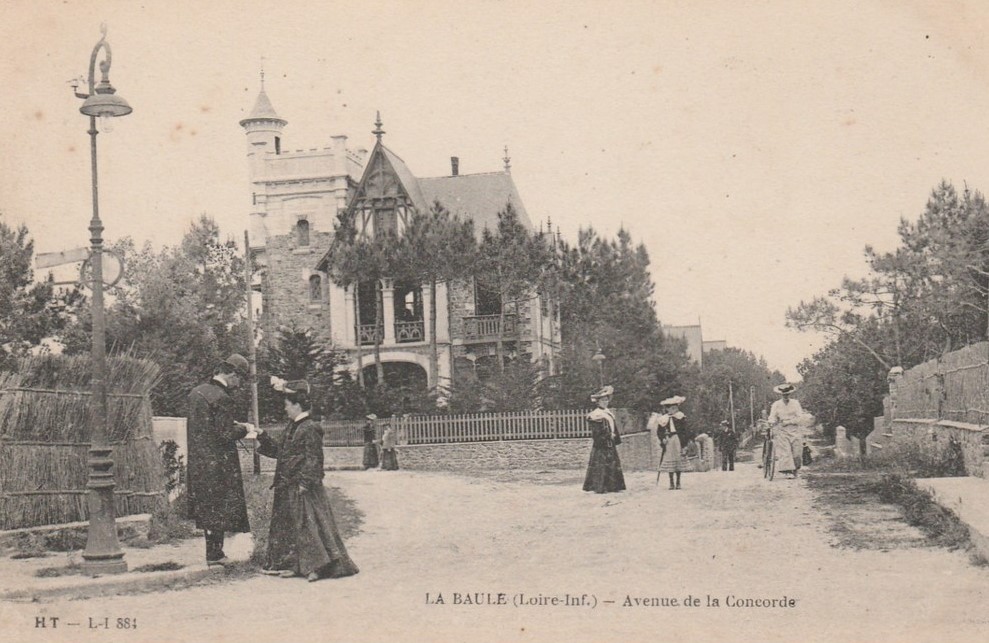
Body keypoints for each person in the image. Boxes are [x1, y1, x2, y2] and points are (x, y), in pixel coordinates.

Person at [256, 379, 360, 582]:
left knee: (309, 527)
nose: (284, 409)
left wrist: (305, 483)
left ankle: (317, 568)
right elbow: (281, 452)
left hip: (303, 487)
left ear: (296, 405)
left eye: (286, 405)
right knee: (292, 527)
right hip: (287, 485)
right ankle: (296, 566)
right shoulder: (292, 426)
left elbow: (314, 459)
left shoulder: (310, 427)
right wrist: (262, 436)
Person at [186, 354, 252, 567]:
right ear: (232, 375)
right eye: (239, 379)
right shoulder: (222, 397)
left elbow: (207, 428)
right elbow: (225, 434)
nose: (239, 384)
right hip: (219, 461)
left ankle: (212, 553)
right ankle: (216, 555)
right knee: (220, 507)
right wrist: (244, 428)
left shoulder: (197, 393)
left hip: (199, 460)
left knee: (207, 507)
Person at [582, 385, 626, 494]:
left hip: (610, 442)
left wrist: (614, 437)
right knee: (601, 465)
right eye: (602, 400)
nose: (605, 402)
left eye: (606, 400)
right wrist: (607, 436)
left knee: (612, 464)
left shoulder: (608, 412)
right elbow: (596, 432)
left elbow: (613, 427)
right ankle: (600, 487)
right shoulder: (595, 414)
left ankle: (613, 486)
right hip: (601, 444)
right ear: (598, 402)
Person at [657, 395, 694, 489]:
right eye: (671, 408)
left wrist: (684, 444)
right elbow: (659, 431)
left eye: (675, 407)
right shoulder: (663, 419)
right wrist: (662, 439)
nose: (674, 410)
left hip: (678, 439)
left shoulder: (680, 417)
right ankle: (671, 482)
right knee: (670, 461)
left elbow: (685, 431)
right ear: (667, 409)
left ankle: (678, 482)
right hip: (669, 440)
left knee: (678, 461)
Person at [768, 383, 804, 477]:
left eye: (787, 394)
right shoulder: (776, 404)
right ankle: (788, 471)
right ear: (781, 394)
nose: (785, 396)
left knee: (797, 453)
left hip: (795, 430)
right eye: (784, 394)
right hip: (782, 430)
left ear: (790, 394)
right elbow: (772, 416)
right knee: (785, 451)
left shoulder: (795, 403)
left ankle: (795, 469)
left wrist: (789, 422)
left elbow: (800, 417)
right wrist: (772, 422)